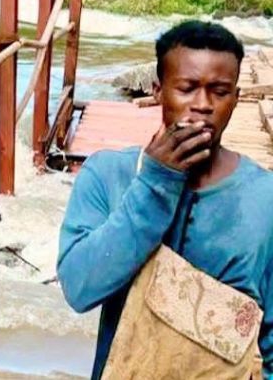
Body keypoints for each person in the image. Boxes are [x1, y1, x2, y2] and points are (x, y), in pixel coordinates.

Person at [58, 20, 273, 379]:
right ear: (158, 91)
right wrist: (156, 182)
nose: (202, 105)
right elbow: (80, 288)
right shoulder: (107, 175)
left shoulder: (264, 198)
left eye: (219, 91)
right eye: (187, 88)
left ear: (236, 99)